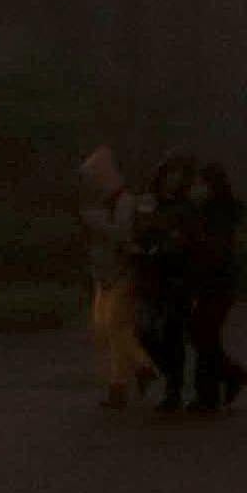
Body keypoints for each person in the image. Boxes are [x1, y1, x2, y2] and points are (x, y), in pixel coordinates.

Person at [80, 145, 154, 407]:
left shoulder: (123, 202)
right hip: (104, 272)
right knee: (107, 328)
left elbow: (122, 235)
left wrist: (97, 223)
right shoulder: (102, 203)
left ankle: (125, 381)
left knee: (115, 327)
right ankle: (130, 375)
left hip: (121, 272)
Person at [178, 158, 247, 412]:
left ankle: (229, 377)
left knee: (202, 334)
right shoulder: (215, 211)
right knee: (206, 336)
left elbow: (213, 250)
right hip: (217, 282)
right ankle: (209, 394)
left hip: (215, 282)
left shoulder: (215, 213)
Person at [130, 154, 200, 411]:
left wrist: (169, 244)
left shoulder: (186, 207)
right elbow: (139, 232)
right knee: (144, 332)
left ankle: (174, 388)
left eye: (177, 175)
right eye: (168, 174)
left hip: (176, 279)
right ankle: (169, 377)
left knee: (173, 333)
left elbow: (188, 241)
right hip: (151, 278)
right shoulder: (149, 205)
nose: (172, 179)